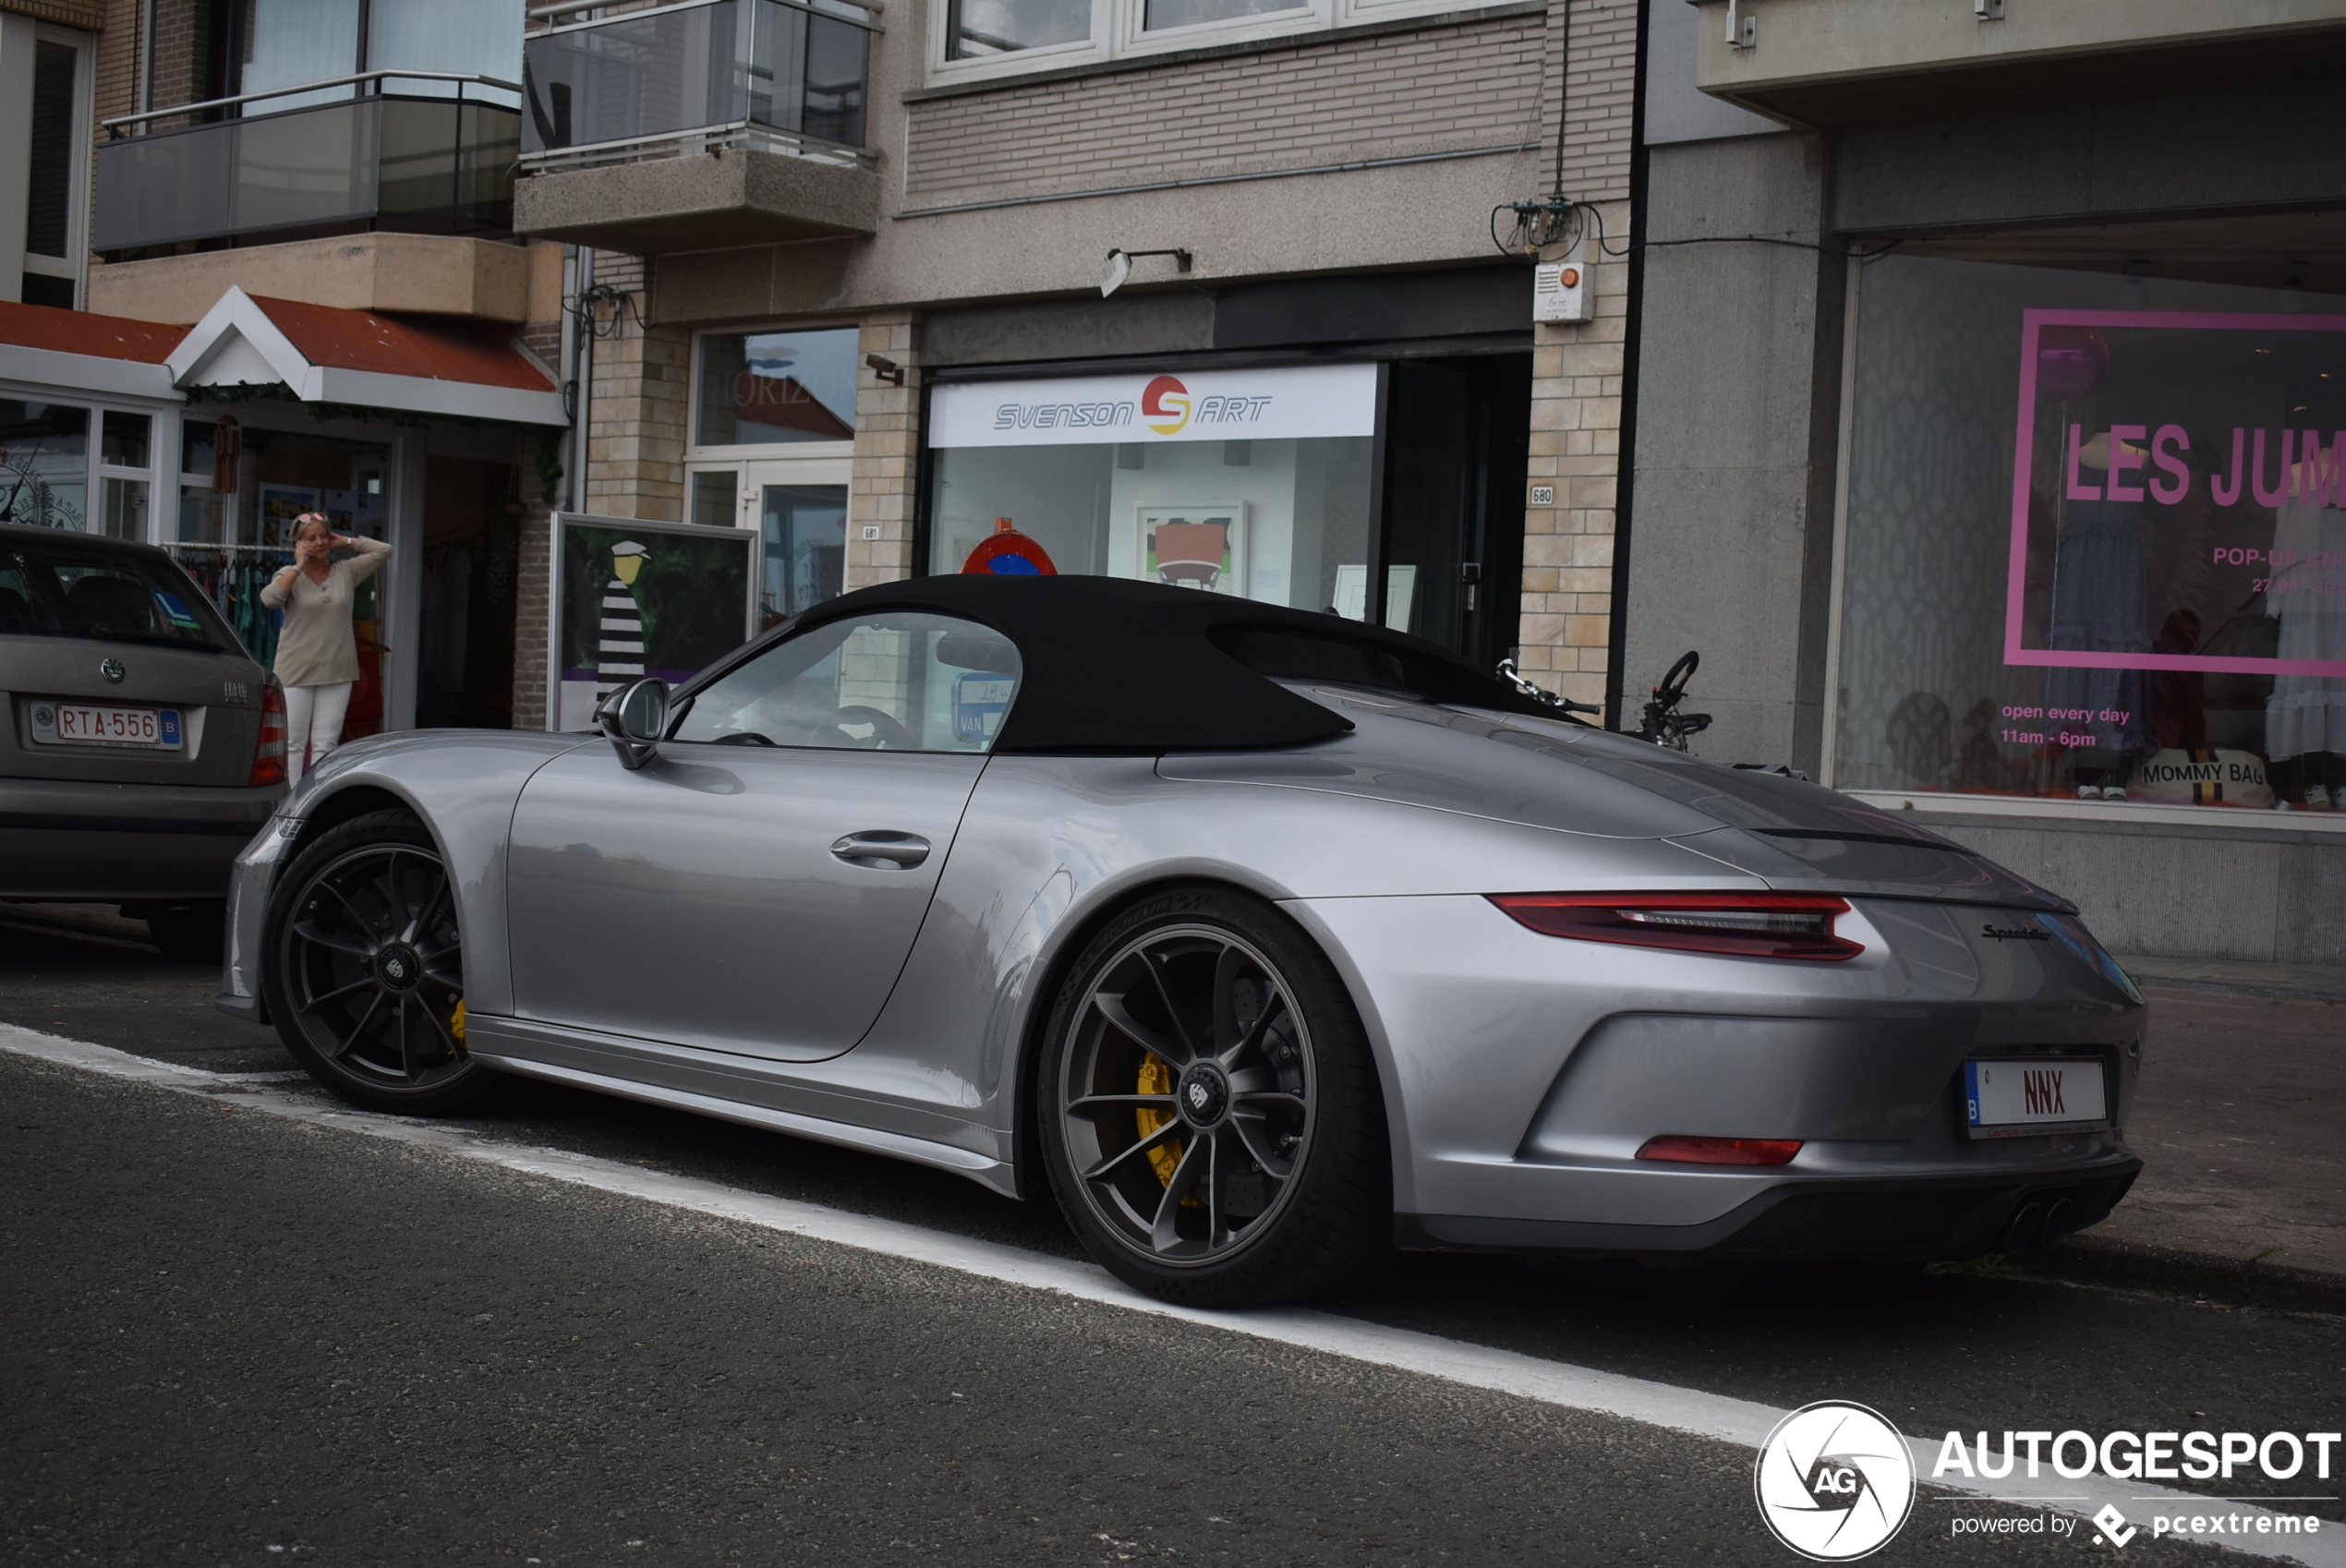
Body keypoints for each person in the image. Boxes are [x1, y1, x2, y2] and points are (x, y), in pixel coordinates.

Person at [260, 513, 391, 783]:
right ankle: (290, 805)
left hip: (338, 670)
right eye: (311, 538)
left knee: (325, 745)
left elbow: (384, 551)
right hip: (296, 670)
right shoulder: (289, 574)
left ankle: (314, 803)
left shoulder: (345, 572)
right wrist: (298, 566)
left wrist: (347, 541)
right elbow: (270, 599)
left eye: (323, 536)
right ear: (298, 543)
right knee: (293, 745)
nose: (319, 542)